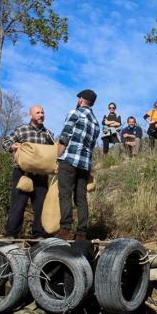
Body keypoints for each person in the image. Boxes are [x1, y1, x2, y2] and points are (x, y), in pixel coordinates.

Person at [2, 105, 55, 239]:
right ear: (30, 115)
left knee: (41, 206)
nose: (41, 115)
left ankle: (39, 234)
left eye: (42, 112)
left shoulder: (48, 134)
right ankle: (12, 234)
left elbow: (53, 152)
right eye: (38, 113)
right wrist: (12, 146)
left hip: (40, 176)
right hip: (22, 174)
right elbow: (6, 141)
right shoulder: (22, 130)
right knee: (18, 204)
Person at [57, 89, 100, 241]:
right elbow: (92, 146)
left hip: (69, 160)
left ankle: (65, 230)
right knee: (81, 199)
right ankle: (81, 233)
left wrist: (57, 157)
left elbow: (64, 138)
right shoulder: (96, 123)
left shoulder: (75, 113)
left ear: (81, 100)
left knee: (64, 194)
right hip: (84, 164)